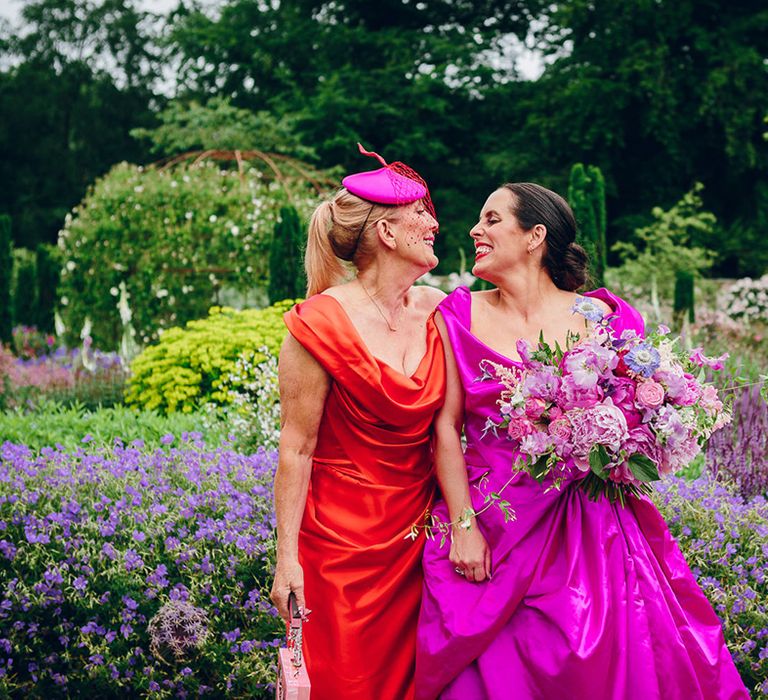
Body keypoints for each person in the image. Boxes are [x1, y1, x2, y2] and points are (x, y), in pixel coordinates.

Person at [415, 183, 748, 699]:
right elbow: (444, 429)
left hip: (592, 528)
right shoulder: (456, 315)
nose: (475, 230)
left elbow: (642, 417)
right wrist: (462, 527)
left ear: (535, 236)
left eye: (491, 219)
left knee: (611, 660)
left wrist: (627, 441)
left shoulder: (607, 317)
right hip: (493, 526)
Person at [270, 145, 446, 700]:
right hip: (339, 552)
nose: (433, 222)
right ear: (387, 234)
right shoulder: (317, 325)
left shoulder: (441, 309)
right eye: (419, 212)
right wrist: (286, 559)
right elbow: (295, 451)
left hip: (423, 545)